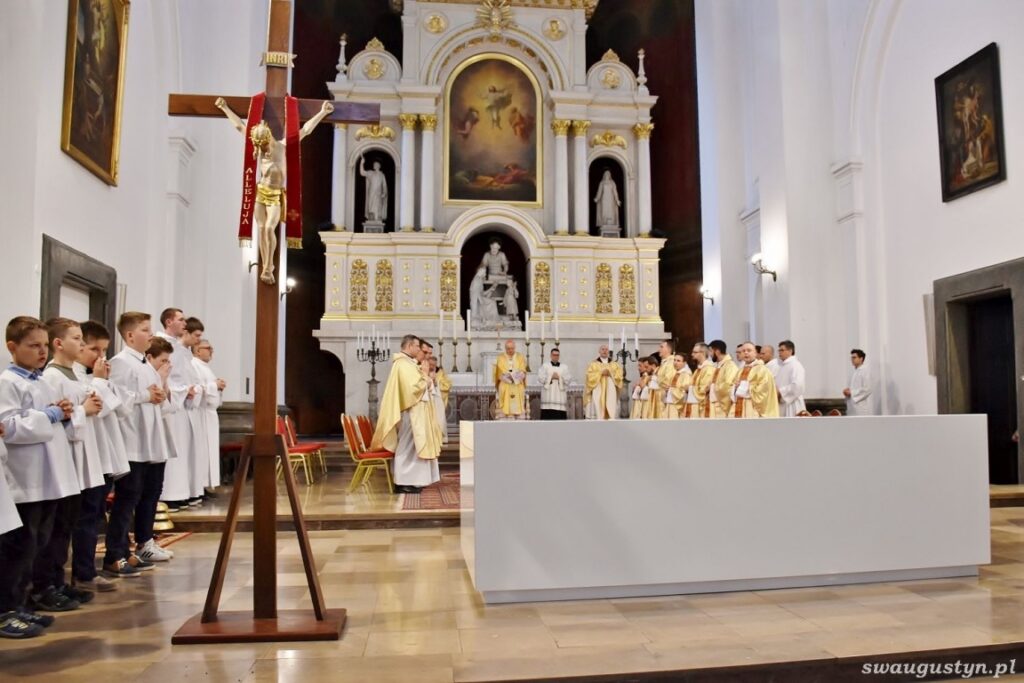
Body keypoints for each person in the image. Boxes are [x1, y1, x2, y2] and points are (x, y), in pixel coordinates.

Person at [0, 317, 82, 638]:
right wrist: (48, 415)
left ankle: (20, 603)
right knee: (18, 547)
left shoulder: (40, 381)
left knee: (36, 544)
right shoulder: (8, 382)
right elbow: (8, 427)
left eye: (44, 345)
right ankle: (6, 609)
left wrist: (61, 413)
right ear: (12, 347)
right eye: (33, 345)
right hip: (25, 479)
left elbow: (49, 419)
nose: (41, 351)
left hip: (47, 477)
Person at [214, 96, 334, 284]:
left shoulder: (283, 146)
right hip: (261, 192)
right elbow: (239, 126)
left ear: (269, 137)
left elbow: (306, 130)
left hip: (276, 195)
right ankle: (266, 267)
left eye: (264, 145)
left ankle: (269, 265)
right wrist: (225, 108)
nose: (263, 149)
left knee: (270, 228)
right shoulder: (259, 149)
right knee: (262, 228)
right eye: (260, 146)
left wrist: (322, 112)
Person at [39, 319, 107, 608]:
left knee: (67, 525)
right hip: (65, 457)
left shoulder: (75, 375)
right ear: (58, 343)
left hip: (80, 456)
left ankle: (60, 582)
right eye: (77, 338)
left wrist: (87, 408)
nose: (81, 344)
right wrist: (83, 410)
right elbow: (55, 420)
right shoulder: (52, 377)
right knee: (56, 528)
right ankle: (48, 585)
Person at [105, 313, 174, 577]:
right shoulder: (120, 363)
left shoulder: (144, 364)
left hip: (150, 440)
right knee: (127, 499)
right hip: (132, 442)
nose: (151, 334)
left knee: (147, 493)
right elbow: (117, 399)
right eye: (146, 329)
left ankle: (133, 549)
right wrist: (147, 395)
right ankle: (115, 554)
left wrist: (158, 393)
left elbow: (156, 399)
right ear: (130, 335)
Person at [72, 321, 127, 593]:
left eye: (104, 351)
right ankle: (83, 572)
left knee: (94, 515)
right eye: (95, 349)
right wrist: (99, 381)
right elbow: (97, 407)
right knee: (86, 517)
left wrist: (101, 381)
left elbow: (118, 408)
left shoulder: (92, 377)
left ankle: (86, 570)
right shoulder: (73, 377)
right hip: (84, 458)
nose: (100, 357)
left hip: (101, 455)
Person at [370, 335, 441, 494]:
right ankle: (402, 482)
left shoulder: (408, 363)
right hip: (411, 412)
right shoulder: (402, 364)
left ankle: (412, 480)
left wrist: (426, 378)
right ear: (409, 346)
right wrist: (426, 376)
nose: (419, 349)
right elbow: (413, 388)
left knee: (412, 448)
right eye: (417, 346)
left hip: (416, 411)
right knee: (406, 447)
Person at [158, 309, 205, 511]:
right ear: (169, 322)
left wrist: (191, 390)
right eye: (181, 319)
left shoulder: (180, 348)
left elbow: (185, 377)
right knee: (174, 452)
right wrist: (183, 391)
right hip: (171, 406)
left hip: (182, 406)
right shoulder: (161, 345)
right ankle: (170, 494)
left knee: (184, 452)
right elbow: (163, 377)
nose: (185, 323)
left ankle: (184, 491)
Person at [192, 338, 225, 490]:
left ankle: (206, 486)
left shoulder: (205, 367)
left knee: (210, 451)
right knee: (203, 451)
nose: (211, 350)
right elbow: (197, 388)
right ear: (197, 351)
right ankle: (200, 486)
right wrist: (214, 385)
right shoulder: (194, 365)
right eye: (208, 348)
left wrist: (218, 387)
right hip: (202, 414)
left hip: (210, 414)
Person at [730, 342, 779, 418]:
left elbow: (763, 392)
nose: (746, 353)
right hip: (739, 408)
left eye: (749, 350)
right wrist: (735, 388)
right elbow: (734, 389)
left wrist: (742, 386)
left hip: (752, 410)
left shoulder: (762, 370)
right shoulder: (740, 371)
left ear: (755, 353)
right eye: (743, 351)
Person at [584, 344, 623, 420]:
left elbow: (619, 376)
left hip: (610, 388)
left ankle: (611, 418)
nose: (605, 351)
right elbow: (589, 376)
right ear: (599, 351)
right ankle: (599, 419)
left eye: (606, 349)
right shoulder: (593, 364)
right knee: (598, 404)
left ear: (608, 351)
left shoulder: (614, 364)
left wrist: (610, 373)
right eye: (603, 349)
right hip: (598, 387)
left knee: (611, 403)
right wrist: (600, 373)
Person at [493, 339, 528, 420]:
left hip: (517, 385)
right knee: (505, 409)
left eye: (512, 348)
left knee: (518, 410)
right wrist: (509, 378)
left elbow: (523, 370)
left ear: (515, 348)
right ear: (505, 348)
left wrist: (514, 378)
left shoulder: (520, 357)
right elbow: (499, 372)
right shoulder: (500, 357)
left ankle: (518, 417)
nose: (510, 350)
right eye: (508, 349)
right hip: (505, 384)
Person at [707, 340, 739, 418]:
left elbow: (728, 386)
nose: (709, 354)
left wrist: (712, 387)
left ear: (717, 351)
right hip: (713, 405)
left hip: (721, 407)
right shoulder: (718, 365)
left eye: (710, 351)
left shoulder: (730, 366)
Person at [775, 340, 806, 417]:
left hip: (792, 404)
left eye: (782, 350)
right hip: (782, 403)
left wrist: (780, 392)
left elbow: (798, 386)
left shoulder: (796, 365)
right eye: (779, 350)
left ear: (790, 351)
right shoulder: (782, 366)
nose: (779, 353)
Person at [539, 348, 571, 420]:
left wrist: (559, 378)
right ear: (551, 356)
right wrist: (551, 377)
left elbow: (568, 379)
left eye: (557, 355)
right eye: (554, 355)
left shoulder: (564, 367)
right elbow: (540, 378)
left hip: (560, 397)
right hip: (548, 397)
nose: (556, 357)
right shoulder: (545, 366)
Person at [684, 343, 715, 419]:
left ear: (703, 353)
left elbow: (704, 389)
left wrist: (690, 388)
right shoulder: (698, 369)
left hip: (702, 406)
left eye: (695, 352)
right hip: (693, 404)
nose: (692, 354)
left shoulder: (708, 369)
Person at [844, 349, 877, 416]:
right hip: (851, 407)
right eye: (851, 358)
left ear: (861, 358)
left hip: (860, 407)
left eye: (854, 357)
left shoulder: (865, 371)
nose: (852, 360)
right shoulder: (855, 372)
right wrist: (848, 391)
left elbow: (868, 388)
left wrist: (851, 392)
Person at [358, 156, 388, 224]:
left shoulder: (382, 175)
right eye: (374, 164)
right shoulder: (370, 173)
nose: (374, 165)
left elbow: (384, 186)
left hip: (378, 194)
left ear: (379, 166)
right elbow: (362, 172)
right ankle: (371, 219)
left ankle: (378, 219)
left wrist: (384, 193)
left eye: (375, 164)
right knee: (371, 207)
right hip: (371, 194)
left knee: (378, 207)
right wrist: (361, 163)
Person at [652, 341, 677, 419]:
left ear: (669, 349)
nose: (659, 349)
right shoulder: (664, 363)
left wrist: (655, 379)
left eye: (661, 347)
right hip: (659, 397)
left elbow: (668, 382)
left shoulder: (671, 362)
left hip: (664, 398)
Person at [663, 354, 693, 419]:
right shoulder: (675, 373)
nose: (675, 362)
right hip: (670, 403)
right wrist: (667, 389)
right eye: (674, 360)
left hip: (678, 406)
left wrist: (671, 389)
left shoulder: (686, 374)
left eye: (678, 361)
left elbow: (684, 391)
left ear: (684, 363)